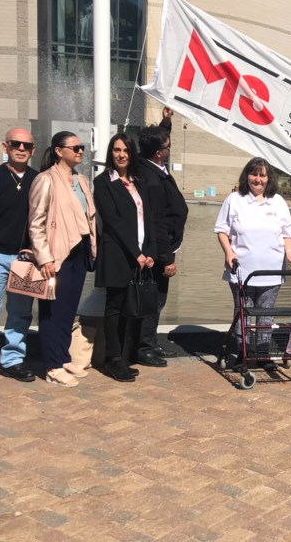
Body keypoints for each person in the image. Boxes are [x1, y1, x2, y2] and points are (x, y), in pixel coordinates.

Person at [28, 132, 97, 388]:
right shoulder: (45, 180)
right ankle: (52, 366)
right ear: (59, 151)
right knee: (52, 312)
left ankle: (63, 356)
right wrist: (44, 257)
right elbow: (36, 223)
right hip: (56, 255)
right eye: (75, 147)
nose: (80, 151)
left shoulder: (82, 180)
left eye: (82, 147)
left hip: (79, 253)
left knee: (68, 310)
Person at [214, 158, 291, 360]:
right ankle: (243, 353)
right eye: (254, 174)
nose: (258, 179)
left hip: (271, 272)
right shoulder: (234, 199)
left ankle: (262, 355)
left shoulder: (277, 201)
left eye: (262, 175)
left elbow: (287, 232)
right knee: (242, 312)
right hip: (241, 270)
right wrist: (228, 252)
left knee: (265, 316)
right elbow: (221, 230)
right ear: (247, 176)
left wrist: (289, 252)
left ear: (269, 179)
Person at [93, 134, 157, 382]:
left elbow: (149, 218)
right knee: (115, 307)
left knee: (131, 307)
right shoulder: (103, 182)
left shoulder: (137, 182)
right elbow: (113, 222)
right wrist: (136, 253)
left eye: (126, 151)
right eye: (116, 150)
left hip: (141, 255)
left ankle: (124, 354)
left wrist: (149, 252)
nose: (121, 155)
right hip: (119, 254)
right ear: (111, 153)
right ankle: (112, 359)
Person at [134, 121, 189, 367]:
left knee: (157, 300)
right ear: (159, 152)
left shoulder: (154, 168)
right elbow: (158, 223)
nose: (170, 148)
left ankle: (150, 342)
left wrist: (166, 123)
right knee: (152, 300)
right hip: (157, 253)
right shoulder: (151, 178)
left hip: (162, 248)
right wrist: (167, 258)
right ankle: (144, 348)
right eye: (167, 146)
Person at [0, 127, 38, 382]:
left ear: (32, 150)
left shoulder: (38, 179)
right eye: (15, 144)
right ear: (5, 146)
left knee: (20, 313)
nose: (21, 149)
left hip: (24, 261)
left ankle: (12, 360)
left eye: (26, 146)